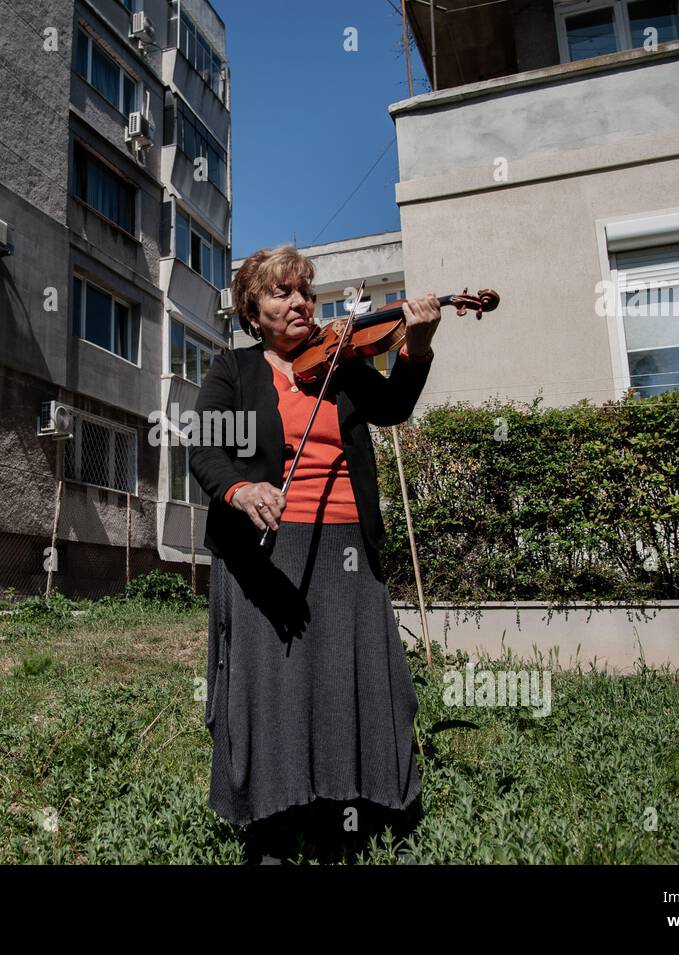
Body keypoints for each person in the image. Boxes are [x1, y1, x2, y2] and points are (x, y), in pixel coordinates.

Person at [189, 244, 441, 863]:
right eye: (282, 293)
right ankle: (272, 819)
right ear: (253, 312)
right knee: (273, 684)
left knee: (355, 673)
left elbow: (392, 408)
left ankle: (352, 810)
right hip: (267, 547)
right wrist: (242, 490)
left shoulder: (341, 363)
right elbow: (207, 450)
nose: (300, 302)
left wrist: (417, 347)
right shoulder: (235, 371)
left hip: (347, 541)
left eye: (304, 291)